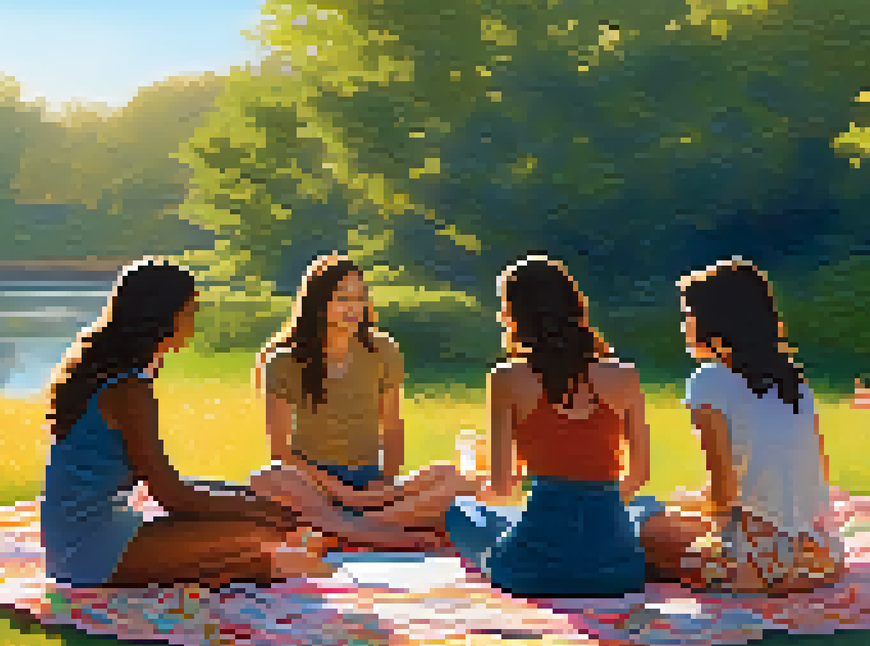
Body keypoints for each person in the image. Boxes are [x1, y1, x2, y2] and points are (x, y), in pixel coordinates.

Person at [42, 259, 329, 589]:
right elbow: (172, 497)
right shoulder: (129, 391)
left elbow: (166, 485)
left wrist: (248, 501)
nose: (192, 324)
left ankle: (240, 565)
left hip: (94, 531)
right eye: (190, 312)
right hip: (86, 550)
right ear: (165, 317)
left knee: (252, 518)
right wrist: (261, 510)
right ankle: (249, 565)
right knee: (257, 533)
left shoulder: (119, 377)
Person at [441, 253, 666, 598]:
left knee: (462, 512)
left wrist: (475, 465)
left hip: (531, 571)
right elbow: (640, 474)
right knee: (644, 506)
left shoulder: (507, 379)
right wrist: (593, 507)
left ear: (514, 315)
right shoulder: (624, 375)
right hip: (618, 573)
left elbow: (503, 487)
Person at [247, 253, 483, 552]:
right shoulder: (283, 361)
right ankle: (369, 525)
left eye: (359, 298)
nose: (353, 307)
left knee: (452, 477)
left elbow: (393, 426)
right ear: (318, 304)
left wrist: (385, 482)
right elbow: (281, 452)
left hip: (372, 482)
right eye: (342, 298)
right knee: (266, 478)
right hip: (313, 483)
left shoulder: (383, 349)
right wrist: (346, 494)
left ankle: (343, 528)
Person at [639, 257, 843, 594]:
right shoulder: (792, 379)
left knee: (644, 526)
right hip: (823, 559)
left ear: (713, 322)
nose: (684, 326)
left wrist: (703, 523)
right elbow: (812, 470)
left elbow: (723, 490)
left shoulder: (708, 381)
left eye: (688, 316)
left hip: (760, 566)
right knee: (677, 513)